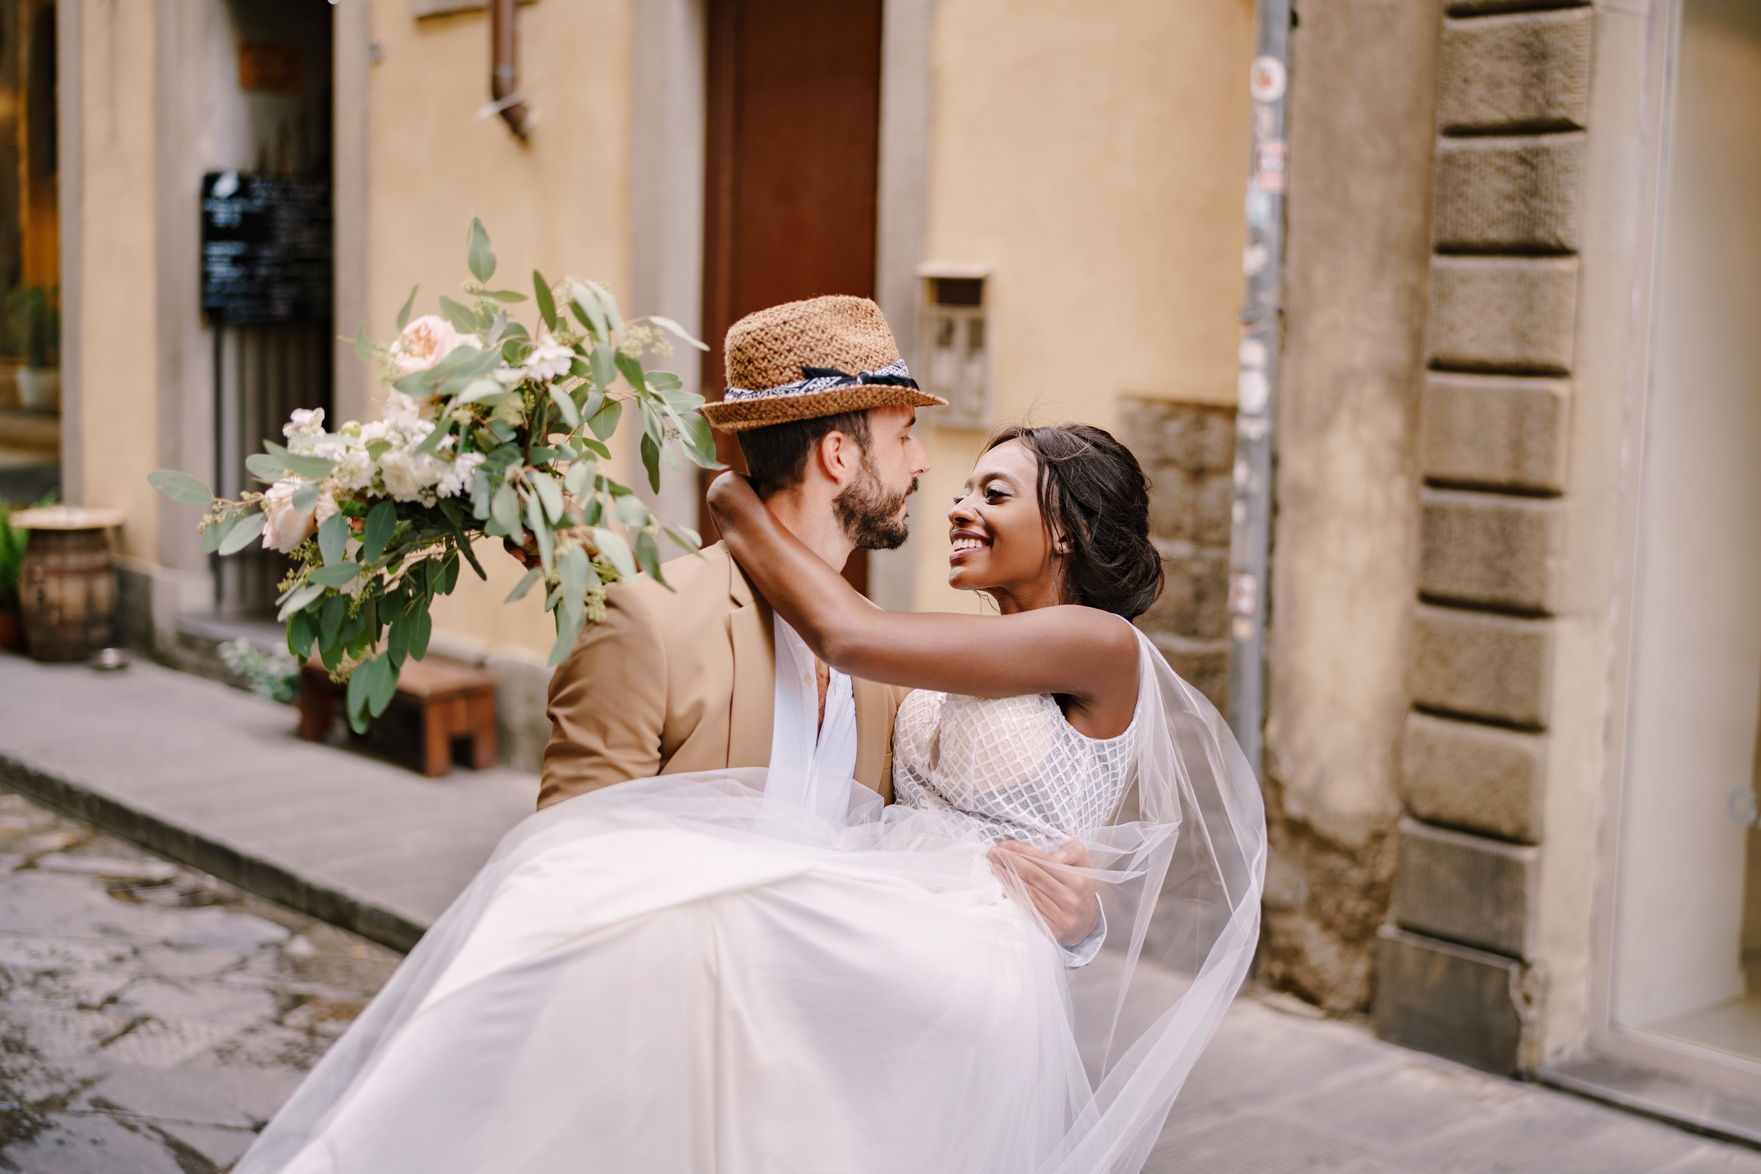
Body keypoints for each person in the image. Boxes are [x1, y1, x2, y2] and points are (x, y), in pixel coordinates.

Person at [236, 326, 1264, 1174]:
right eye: (910, 438)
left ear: (1068, 532)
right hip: (734, 1067)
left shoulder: (1000, 648)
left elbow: (854, 647)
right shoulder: (681, 626)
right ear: (836, 455)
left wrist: (1077, 925)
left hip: (913, 1011)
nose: (935, 480)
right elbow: (567, 876)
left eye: (991, 491)